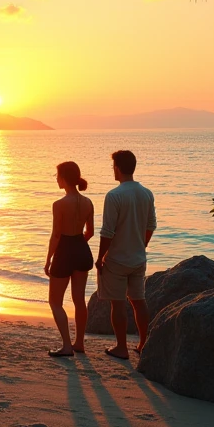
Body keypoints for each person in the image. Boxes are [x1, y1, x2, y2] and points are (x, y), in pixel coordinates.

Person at [96, 150, 157, 359]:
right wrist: (142, 244)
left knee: (118, 303)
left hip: (117, 259)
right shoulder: (146, 193)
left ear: (118, 168)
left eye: (113, 166)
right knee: (139, 301)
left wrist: (100, 257)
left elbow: (107, 232)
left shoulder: (114, 195)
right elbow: (151, 226)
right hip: (138, 258)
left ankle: (121, 347)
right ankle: (143, 343)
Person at [44, 161, 95, 357]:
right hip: (82, 250)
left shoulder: (59, 204)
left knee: (55, 301)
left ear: (64, 178)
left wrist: (48, 259)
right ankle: (79, 343)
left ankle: (66, 345)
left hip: (64, 252)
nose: (56, 179)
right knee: (79, 300)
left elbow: (56, 235)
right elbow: (89, 232)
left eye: (57, 175)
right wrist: (78, 244)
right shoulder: (88, 202)